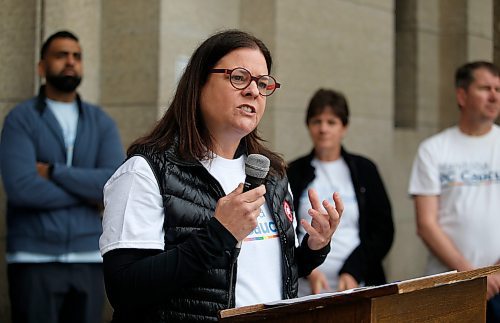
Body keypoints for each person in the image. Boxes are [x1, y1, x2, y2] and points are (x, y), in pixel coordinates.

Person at [99, 29, 343, 322]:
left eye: (263, 83)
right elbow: (124, 290)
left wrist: (314, 248)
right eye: (239, 78)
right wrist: (218, 235)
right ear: (199, 83)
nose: (253, 91)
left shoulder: (272, 175)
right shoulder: (146, 171)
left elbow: (265, 273)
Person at [0, 30, 125, 323]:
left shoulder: (101, 121)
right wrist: (87, 193)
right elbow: (21, 188)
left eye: (76, 56)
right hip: (33, 257)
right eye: (61, 55)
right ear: (42, 67)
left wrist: (54, 172)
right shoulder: (21, 119)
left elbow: (113, 187)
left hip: (89, 258)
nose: (70, 62)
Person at [408, 61, 500, 322]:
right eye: (485, 88)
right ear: (462, 95)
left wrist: (495, 275)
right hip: (450, 285)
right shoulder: (434, 150)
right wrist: (472, 275)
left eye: (498, 88)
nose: (494, 95)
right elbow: (426, 224)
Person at [288, 89, 394, 295]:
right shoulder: (292, 171)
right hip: (306, 290)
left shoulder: (365, 169)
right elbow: (285, 229)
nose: (323, 129)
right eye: (317, 121)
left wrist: (353, 270)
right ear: (308, 126)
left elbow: (382, 231)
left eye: (331, 122)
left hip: (358, 285)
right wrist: (307, 267)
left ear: (344, 127)